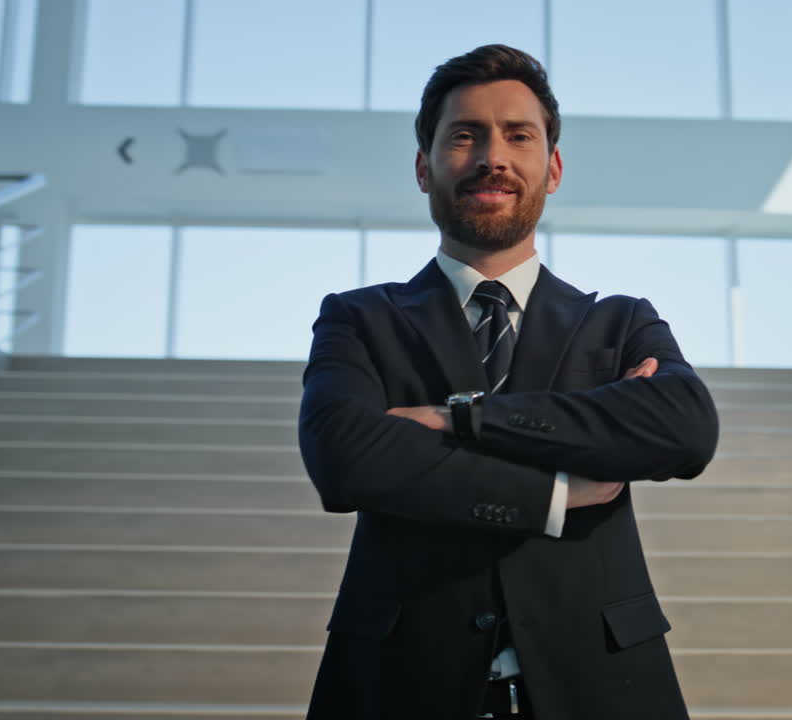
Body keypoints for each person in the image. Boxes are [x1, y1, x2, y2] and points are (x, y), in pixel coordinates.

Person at [298, 44, 719, 720]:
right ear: (423, 167)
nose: (492, 156)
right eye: (464, 135)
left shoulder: (619, 322)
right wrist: (553, 494)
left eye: (518, 136)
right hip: (398, 683)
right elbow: (346, 460)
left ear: (551, 169)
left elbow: (685, 430)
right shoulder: (359, 318)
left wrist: (458, 419)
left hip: (605, 683)